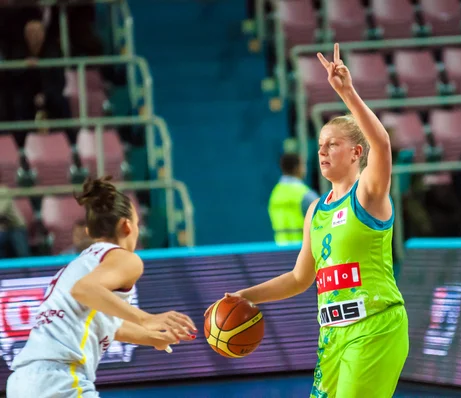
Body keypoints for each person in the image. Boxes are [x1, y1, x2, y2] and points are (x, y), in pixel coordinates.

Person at [210, 44, 408, 398]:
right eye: (320, 145)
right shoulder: (315, 210)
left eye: (332, 144)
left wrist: (346, 92)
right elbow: (300, 278)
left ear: (356, 152)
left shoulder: (369, 194)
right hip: (332, 336)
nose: (321, 151)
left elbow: (382, 144)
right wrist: (244, 295)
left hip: (375, 328)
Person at [7, 176, 197, 398]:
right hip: (59, 380)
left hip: (23, 382)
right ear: (127, 226)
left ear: (89, 231)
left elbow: (105, 323)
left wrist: (151, 337)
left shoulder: (80, 264)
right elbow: (84, 290)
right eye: (136, 223)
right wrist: (146, 319)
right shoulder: (126, 260)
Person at [268, 152, 319, 244]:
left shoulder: (275, 194)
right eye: (303, 165)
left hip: (280, 250)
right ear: (297, 168)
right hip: (303, 250)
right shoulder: (306, 195)